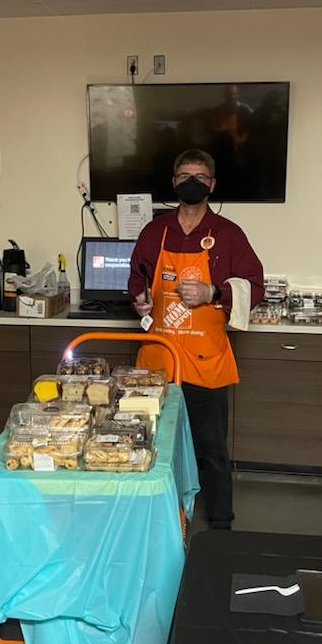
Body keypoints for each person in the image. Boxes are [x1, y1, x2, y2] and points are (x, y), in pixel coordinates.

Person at [129, 149, 264, 529]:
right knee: (152, 445)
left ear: (212, 184)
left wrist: (213, 293)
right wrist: (139, 298)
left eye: (200, 177)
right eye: (185, 175)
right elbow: (137, 276)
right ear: (173, 182)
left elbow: (256, 286)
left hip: (206, 361)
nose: (192, 182)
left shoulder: (228, 234)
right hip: (159, 363)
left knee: (212, 452)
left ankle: (220, 525)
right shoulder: (155, 231)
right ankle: (157, 521)